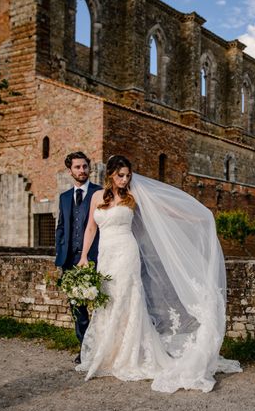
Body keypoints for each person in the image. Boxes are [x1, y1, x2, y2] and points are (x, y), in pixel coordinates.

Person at [75, 155, 240, 393]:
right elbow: (91, 226)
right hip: (105, 255)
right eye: (120, 175)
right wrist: (83, 257)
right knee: (108, 299)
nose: (124, 179)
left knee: (127, 299)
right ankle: (109, 352)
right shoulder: (96, 197)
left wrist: (196, 217)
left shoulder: (133, 196)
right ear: (110, 174)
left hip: (126, 252)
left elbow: (163, 210)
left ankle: (131, 354)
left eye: (128, 175)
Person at [55, 151, 101, 363]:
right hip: (70, 260)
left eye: (85, 166)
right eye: (77, 167)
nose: (82, 171)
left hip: (95, 259)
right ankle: (85, 349)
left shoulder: (100, 193)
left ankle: (103, 348)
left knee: (101, 304)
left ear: (89, 168)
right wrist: (60, 256)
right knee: (77, 307)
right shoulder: (64, 197)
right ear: (70, 170)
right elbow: (61, 228)